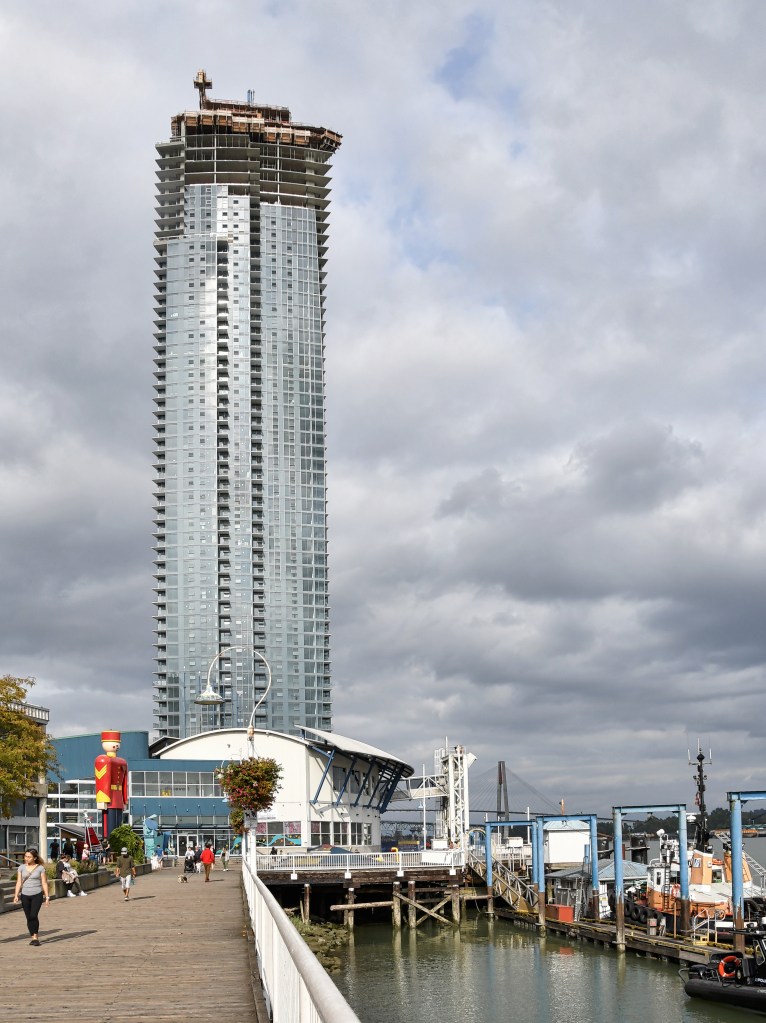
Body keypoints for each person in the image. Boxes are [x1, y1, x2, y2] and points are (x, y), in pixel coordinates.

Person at [12, 848, 49, 946]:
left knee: (33, 915)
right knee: (28, 917)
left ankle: (36, 937)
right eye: (25, 856)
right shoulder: (21, 868)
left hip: (37, 894)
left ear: (35, 858)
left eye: (29, 857)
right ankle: (33, 937)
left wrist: (47, 897)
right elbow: (19, 882)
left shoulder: (40, 868)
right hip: (25, 895)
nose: (26, 858)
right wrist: (16, 895)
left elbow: (44, 883)